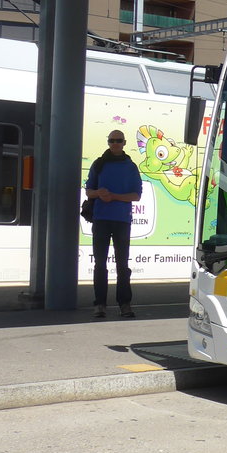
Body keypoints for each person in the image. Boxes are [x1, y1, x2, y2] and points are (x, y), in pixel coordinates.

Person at [85, 129, 143, 318]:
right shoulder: (99, 164)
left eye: (118, 140)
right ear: (108, 142)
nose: (115, 143)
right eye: (112, 140)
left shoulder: (131, 167)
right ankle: (100, 304)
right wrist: (99, 193)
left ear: (124, 143)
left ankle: (124, 304)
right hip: (101, 219)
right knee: (100, 264)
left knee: (122, 264)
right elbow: (89, 191)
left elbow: (136, 195)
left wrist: (113, 196)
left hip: (122, 220)